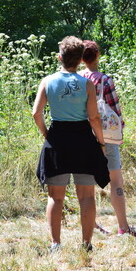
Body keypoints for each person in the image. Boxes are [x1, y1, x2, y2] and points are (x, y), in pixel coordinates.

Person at [33, 36, 110, 252]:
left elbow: (36, 113)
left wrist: (47, 134)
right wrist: (101, 142)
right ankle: (86, 244)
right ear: (80, 60)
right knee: (86, 195)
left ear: (60, 58)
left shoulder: (47, 81)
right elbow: (94, 118)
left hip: (57, 138)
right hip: (83, 139)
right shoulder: (87, 84)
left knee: (55, 196)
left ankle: (55, 244)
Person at [80, 40, 136, 237]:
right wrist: (120, 128)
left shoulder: (77, 79)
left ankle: (92, 224)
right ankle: (123, 227)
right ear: (98, 55)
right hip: (107, 136)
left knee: (87, 183)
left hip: (84, 135)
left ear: (81, 59)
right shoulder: (105, 80)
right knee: (116, 181)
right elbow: (115, 109)